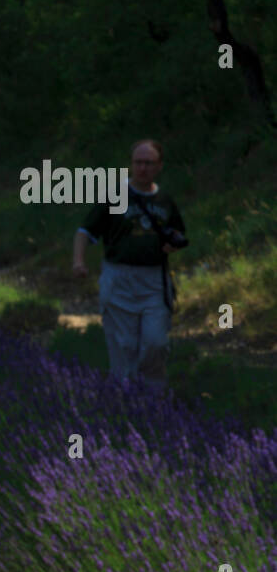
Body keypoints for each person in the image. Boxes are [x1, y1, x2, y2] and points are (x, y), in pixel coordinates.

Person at [72, 139, 187, 386]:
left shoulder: (165, 201)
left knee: (156, 342)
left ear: (159, 166)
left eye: (149, 163)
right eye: (138, 162)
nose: (142, 168)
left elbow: (178, 234)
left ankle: (154, 399)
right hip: (119, 278)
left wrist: (174, 244)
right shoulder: (115, 197)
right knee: (124, 346)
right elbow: (85, 231)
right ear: (131, 164)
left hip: (155, 280)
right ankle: (126, 403)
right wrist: (78, 261)